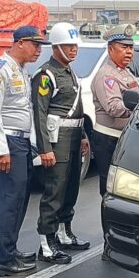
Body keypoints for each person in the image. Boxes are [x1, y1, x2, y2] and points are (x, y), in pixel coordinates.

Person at [0, 25, 49, 277]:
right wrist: (1, 150)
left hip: (19, 143)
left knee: (18, 200)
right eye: (35, 45)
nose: (38, 50)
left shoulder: (20, 70)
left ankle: (9, 250)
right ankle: (2, 260)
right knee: (7, 202)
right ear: (20, 43)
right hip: (6, 143)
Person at [32, 23, 90, 264]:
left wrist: (84, 136)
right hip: (57, 141)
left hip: (74, 138)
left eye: (75, 45)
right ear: (56, 47)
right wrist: (45, 149)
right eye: (68, 45)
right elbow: (40, 114)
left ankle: (64, 233)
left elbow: (77, 109)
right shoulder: (46, 75)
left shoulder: (69, 72)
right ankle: (46, 244)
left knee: (71, 189)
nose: (73, 49)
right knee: (54, 190)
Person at [91, 24, 139, 196]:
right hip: (108, 138)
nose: (129, 52)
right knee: (110, 188)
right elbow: (113, 107)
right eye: (124, 47)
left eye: (131, 47)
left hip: (122, 136)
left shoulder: (125, 72)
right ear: (111, 49)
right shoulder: (106, 75)